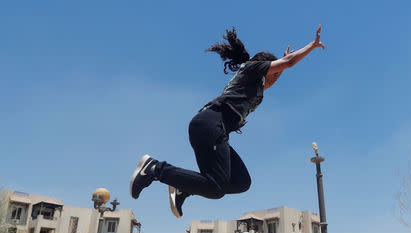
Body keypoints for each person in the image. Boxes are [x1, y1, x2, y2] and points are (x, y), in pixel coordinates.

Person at [130, 25, 325, 218]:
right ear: (264, 67)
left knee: (241, 182)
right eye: (275, 73)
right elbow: (289, 62)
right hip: (210, 124)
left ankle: (184, 188)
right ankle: (155, 168)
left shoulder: (254, 86)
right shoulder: (252, 68)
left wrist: (282, 67)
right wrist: (311, 46)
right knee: (216, 189)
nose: (275, 79)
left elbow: (284, 66)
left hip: (214, 130)